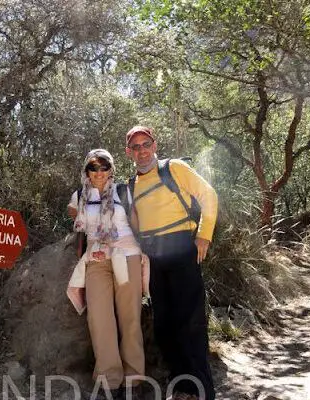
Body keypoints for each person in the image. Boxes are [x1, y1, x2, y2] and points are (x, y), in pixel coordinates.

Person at [124, 126, 218, 400]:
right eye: (136, 147)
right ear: (129, 152)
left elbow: (208, 195)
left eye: (146, 144)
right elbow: (135, 226)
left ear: (154, 145)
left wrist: (204, 235)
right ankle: (182, 388)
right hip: (154, 258)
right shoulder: (132, 186)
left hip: (182, 249)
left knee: (191, 322)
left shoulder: (173, 168)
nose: (142, 151)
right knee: (164, 325)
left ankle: (202, 391)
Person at [66, 149, 148, 400]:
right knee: (99, 320)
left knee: (130, 318)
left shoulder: (124, 191)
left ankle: (134, 379)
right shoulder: (79, 196)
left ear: (112, 169)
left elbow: (137, 224)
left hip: (127, 256)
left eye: (104, 167)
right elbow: (79, 226)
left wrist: (146, 254)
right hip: (96, 260)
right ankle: (110, 381)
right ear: (86, 170)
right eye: (94, 167)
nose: (99, 173)